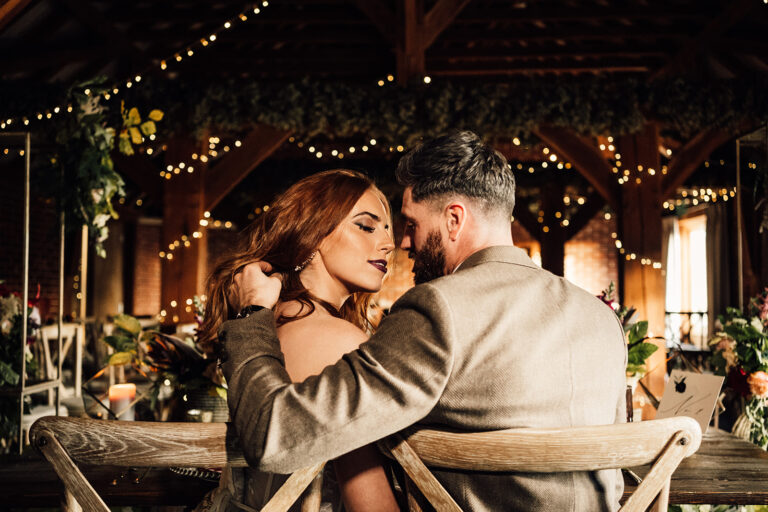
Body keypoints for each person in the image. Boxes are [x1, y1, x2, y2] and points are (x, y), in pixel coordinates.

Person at [218, 131, 628, 511]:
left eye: (411, 224)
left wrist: (250, 314)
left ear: (454, 219)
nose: (402, 243)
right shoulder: (600, 318)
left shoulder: (438, 309)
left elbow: (274, 433)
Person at [201, 169, 400, 511]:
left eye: (387, 230)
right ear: (314, 234)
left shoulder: (267, 324)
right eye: (366, 226)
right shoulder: (338, 342)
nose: (388, 243)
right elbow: (371, 504)